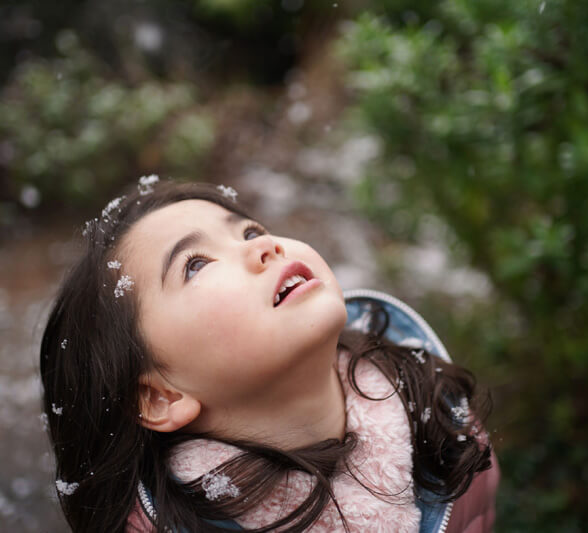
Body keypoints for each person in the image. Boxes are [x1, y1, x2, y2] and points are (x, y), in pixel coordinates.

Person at [39, 178, 499, 533]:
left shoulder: (437, 413)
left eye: (249, 230)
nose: (264, 245)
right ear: (161, 396)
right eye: (196, 264)